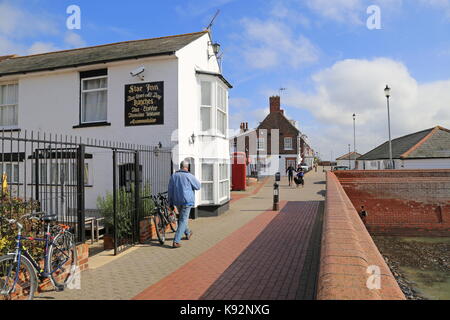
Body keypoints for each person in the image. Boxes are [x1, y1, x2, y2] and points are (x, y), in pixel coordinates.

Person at [168, 160, 201, 249]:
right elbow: (198, 186)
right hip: (187, 201)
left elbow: (170, 190)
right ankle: (176, 241)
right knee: (183, 220)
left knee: (182, 219)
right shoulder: (189, 176)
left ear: (181, 166)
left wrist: (170, 203)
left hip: (177, 201)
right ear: (187, 167)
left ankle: (188, 232)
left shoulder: (174, 176)